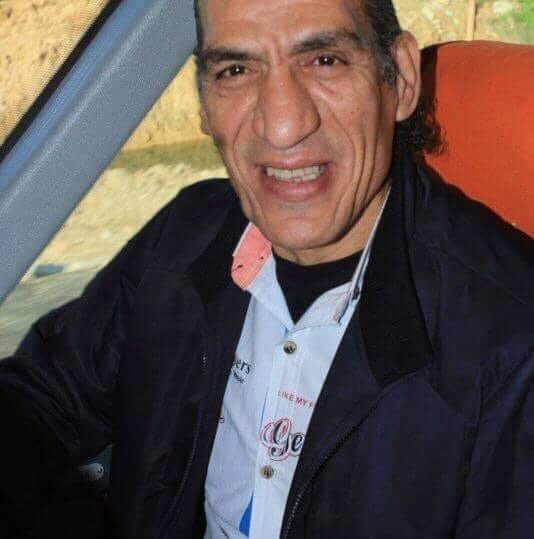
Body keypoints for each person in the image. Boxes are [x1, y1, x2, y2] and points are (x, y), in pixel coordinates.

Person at [0, 0, 533, 537]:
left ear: (402, 78)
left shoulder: (512, 343)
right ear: (204, 104)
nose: (281, 126)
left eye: (324, 60)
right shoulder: (184, 240)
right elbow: (35, 403)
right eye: (236, 70)